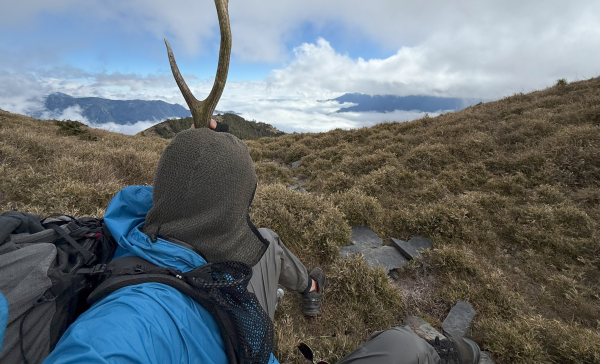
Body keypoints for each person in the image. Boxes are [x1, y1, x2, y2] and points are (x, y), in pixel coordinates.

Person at [43, 122, 479, 364]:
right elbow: (100, 349)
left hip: (209, 285)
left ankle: (309, 288)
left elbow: (190, 180)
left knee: (267, 240)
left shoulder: (143, 234)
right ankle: (312, 289)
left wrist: (216, 149)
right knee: (404, 347)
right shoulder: (141, 315)